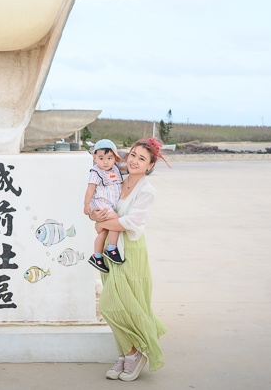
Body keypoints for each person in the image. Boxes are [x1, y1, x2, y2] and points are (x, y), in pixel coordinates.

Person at [90, 138, 169, 382]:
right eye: (133, 154)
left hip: (130, 252)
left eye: (142, 158)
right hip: (108, 250)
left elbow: (130, 222)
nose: (134, 160)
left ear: (150, 165)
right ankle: (126, 354)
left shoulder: (147, 191)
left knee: (111, 305)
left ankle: (135, 353)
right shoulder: (116, 181)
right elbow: (98, 209)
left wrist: (102, 222)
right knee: (117, 304)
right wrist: (96, 215)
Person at [84, 139, 125, 273]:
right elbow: (90, 189)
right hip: (101, 205)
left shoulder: (115, 169)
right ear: (94, 158)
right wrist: (86, 205)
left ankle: (96, 256)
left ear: (115, 158)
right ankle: (111, 248)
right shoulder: (95, 172)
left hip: (110, 205)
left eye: (109, 158)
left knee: (105, 231)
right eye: (101, 158)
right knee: (116, 220)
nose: (105, 162)